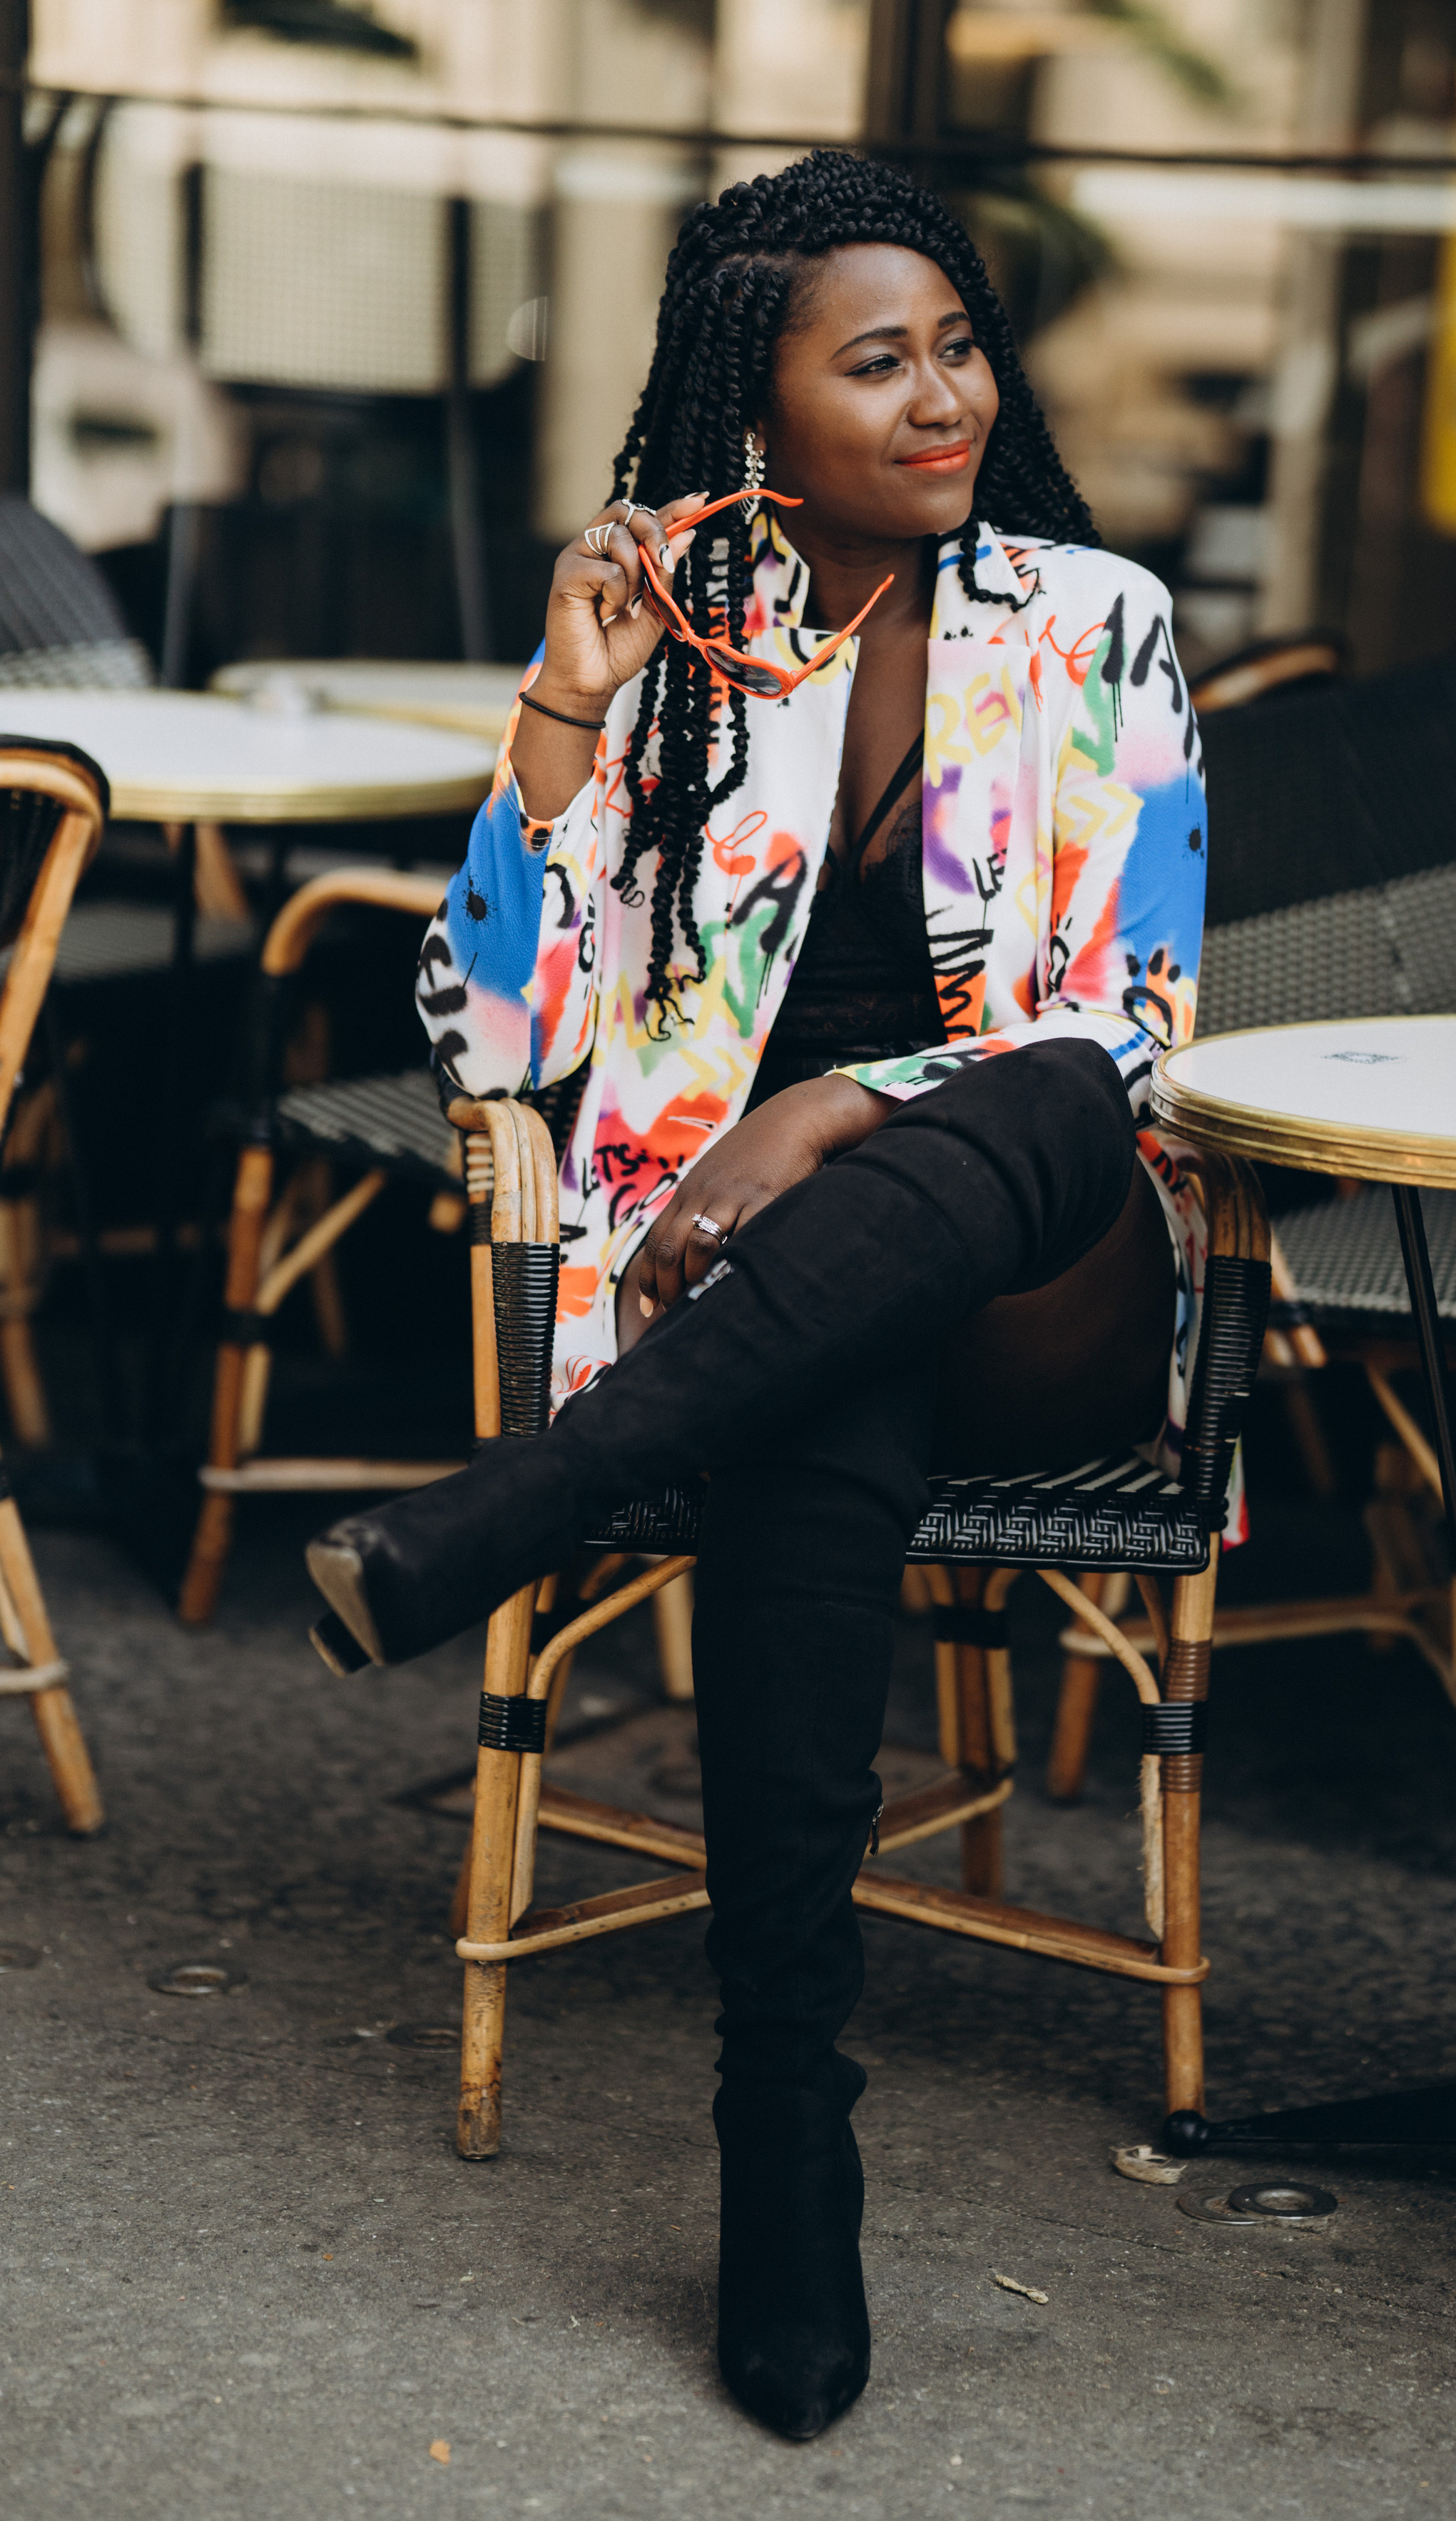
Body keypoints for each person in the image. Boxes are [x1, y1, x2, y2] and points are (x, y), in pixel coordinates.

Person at [307, 151, 1206, 2440]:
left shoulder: (1094, 621)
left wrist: (828, 1107)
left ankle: (522, 1502)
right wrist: (561, 709)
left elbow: (1131, 1031)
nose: (946, 398)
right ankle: (784, 2138)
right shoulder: (679, 643)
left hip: (1048, 1269)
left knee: (1013, 1119)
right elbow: (489, 1040)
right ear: (757, 406)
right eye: (878, 362)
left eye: (959, 346)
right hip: (773, 1319)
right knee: (815, 1379)